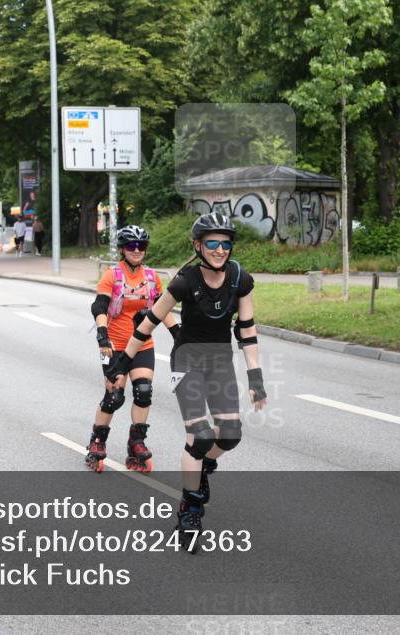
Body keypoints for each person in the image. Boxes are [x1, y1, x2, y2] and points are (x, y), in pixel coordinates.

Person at [106, 213, 268, 553]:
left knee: (231, 434)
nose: (220, 249)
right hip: (188, 361)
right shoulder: (185, 281)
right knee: (200, 435)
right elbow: (149, 321)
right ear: (198, 245)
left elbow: (248, 330)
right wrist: (121, 363)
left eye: (225, 243)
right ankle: (190, 509)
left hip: (220, 362)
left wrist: (256, 377)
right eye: (212, 242)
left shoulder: (240, 278)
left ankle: (205, 466)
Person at [86, 225, 180, 473]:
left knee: (143, 391)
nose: (137, 250)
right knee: (114, 396)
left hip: (142, 344)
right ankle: (97, 441)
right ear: (122, 249)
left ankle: (136, 443)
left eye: (141, 246)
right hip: (114, 346)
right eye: (131, 246)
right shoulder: (112, 275)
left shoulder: (151, 277)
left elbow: (162, 309)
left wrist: (178, 334)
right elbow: (100, 306)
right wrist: (102, 335)